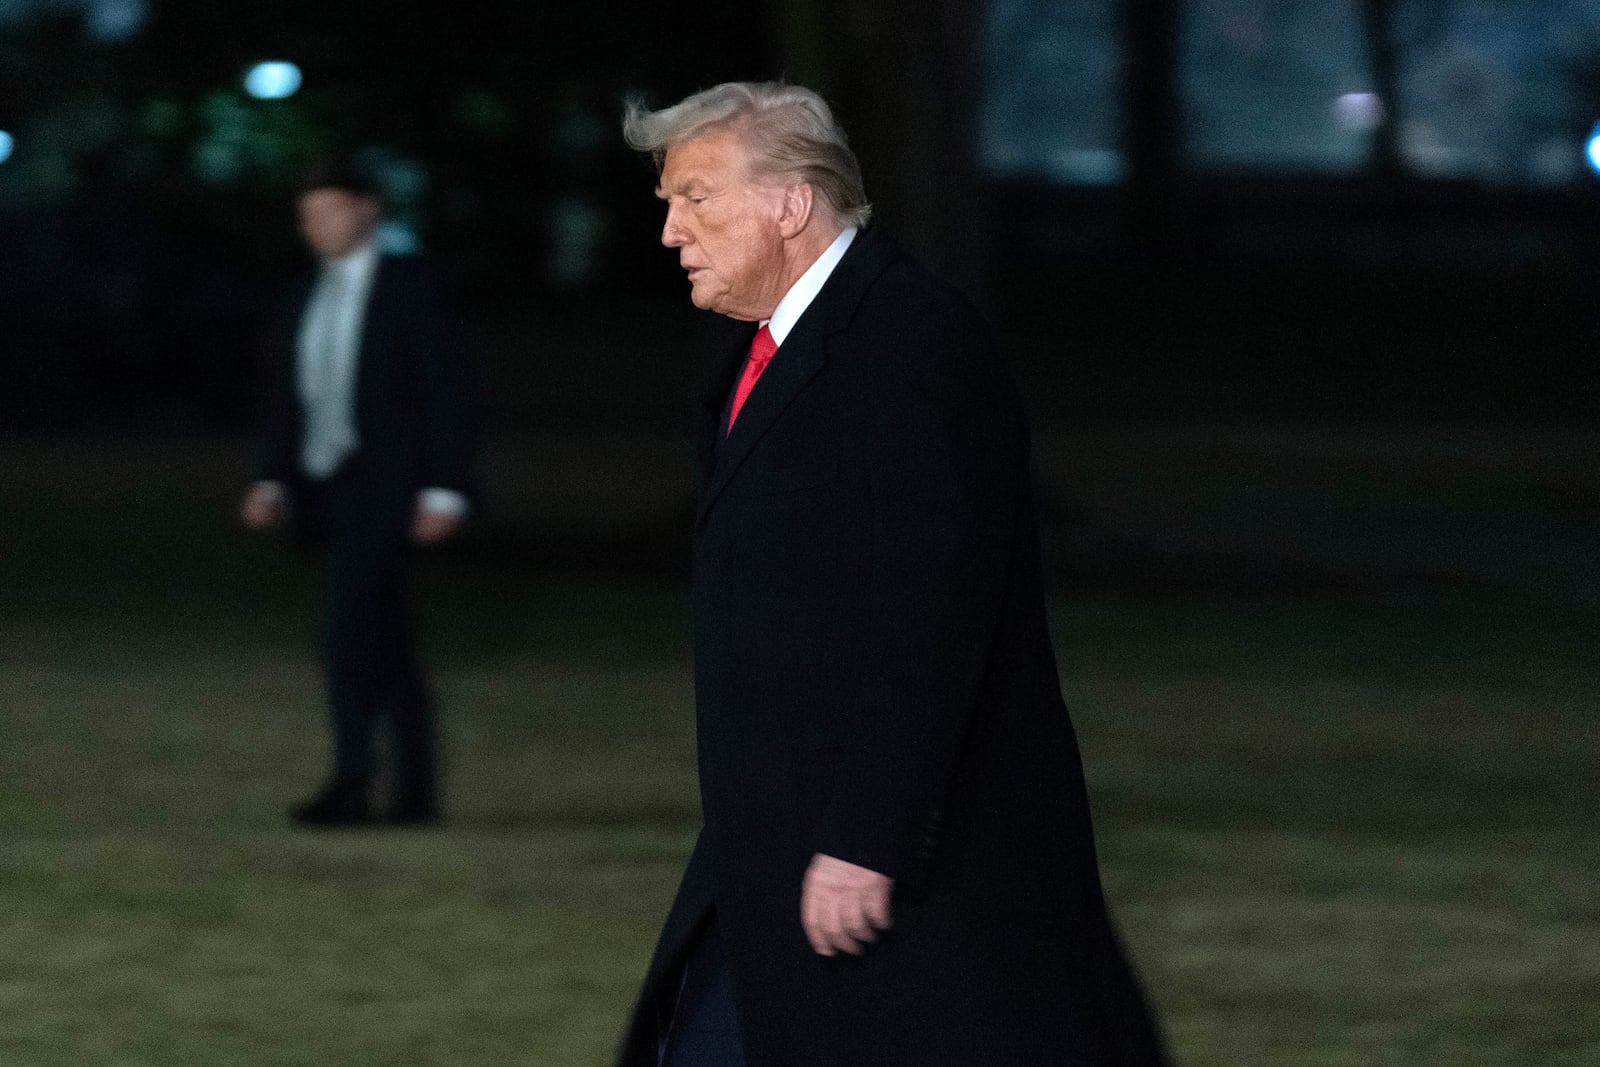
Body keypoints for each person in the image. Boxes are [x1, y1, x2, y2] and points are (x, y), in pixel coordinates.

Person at [614, 82, 1169, 1066]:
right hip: (769, 847)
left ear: (791, 201)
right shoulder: (756, 356)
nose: (669, 230)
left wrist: (869, 836)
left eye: (694, 197)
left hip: (891, 862)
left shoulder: (911, 342)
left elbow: (933, 612)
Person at [239, 159, 472, 828]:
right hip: (327, 487)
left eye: (330, 210)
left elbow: (446, 390)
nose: (316, 226)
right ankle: (415, 790)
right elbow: (292, 395)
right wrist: (272, 477)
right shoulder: (306, 293)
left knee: (347, 635)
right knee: (387, 640)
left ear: (368, 209)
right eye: (308, 215)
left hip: (388, 486)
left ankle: (352, 779)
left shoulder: (412, 286)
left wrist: (445, 488)